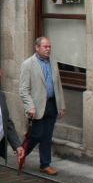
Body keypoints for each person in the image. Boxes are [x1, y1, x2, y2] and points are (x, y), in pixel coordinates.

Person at [18, 37, 65, 175]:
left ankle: (45, 164)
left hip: (51, 104)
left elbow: (58, 85)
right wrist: (30, 107)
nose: (48, 49)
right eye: (45, 47)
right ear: (37, 48)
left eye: (49, 46)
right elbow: (23, 89)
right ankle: (22, 151)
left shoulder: (53, 62)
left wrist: (61, 105)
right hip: (36, 106)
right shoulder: (28, 64)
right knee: (37, 134)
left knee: (47, 136)